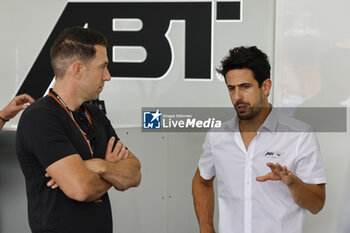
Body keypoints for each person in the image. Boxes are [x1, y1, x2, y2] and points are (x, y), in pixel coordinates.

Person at [16, 26, 141, 233]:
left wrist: (97, 166)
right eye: (103, 67)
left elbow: (135, 173)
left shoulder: (97, 117)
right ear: (78, 70)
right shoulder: (40, 117)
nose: (108, 76)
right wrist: (111, 172)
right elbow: (80, 189)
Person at [192, 46, 326, 233]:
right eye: (231, 88)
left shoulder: (299, 135)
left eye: (245, 87)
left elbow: (317, 204)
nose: (237, 97)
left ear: (265, 86)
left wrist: (292, 182)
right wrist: (206, 228)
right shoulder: (217, 136)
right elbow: (202, 181)